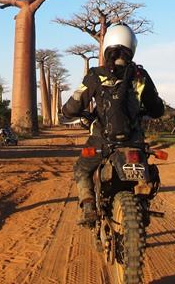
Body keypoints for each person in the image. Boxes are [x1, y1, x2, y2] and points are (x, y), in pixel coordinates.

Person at [62, 24, 165, 227]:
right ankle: (142, 203)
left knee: (82, 169)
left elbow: (74, 105)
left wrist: (69, 112)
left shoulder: (96, 74)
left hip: (102, 142)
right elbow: (156, 109)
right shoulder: (140, 76)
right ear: (132, 47)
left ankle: (89, 205)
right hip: (134, 142)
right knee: (148, 168)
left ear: (106, 47)